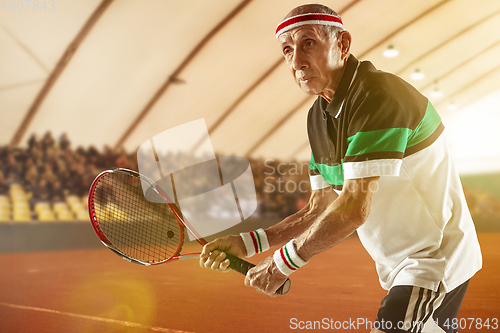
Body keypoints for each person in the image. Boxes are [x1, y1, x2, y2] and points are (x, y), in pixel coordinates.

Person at [199, 4, 482, 333]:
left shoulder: (379, 98)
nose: (296, 62)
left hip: (434, 260)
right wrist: (248, 243)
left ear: (343, 44)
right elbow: (319, 208)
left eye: (308, 43)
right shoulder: (318, 117)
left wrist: (280, 264)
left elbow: (351, 209)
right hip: (403, 266)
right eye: (287, 50)